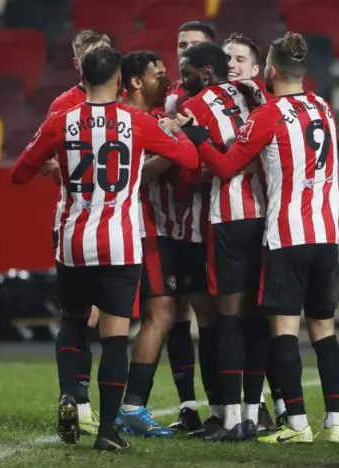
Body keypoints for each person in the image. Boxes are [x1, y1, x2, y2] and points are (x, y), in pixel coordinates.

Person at [11, 46, 202, 451]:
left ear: (84, 79)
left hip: (73, 241)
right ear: (119, 80)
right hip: (118, 241)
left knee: (74, 321)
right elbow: (186, 157)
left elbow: (19, 173)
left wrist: (54, 163)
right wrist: (176, 131)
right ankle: (107, 432)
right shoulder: (136, 122)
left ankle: (70, 395)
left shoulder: (60, 121)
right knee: (115, 337)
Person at [166, 32, 339, 445]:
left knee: (272, 327)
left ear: (272, 70)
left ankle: (291, 423)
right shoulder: (324, 108)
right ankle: (332, 423)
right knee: (324, 330)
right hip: (327, 233)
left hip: (281, 231)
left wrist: (194, 135)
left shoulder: (269, 112)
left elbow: (226, 165)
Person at [176, 41, 270, 442]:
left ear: (206, 73)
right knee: (255, 320)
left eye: (188, 72)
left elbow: (191, 171)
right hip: (264, 215)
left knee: (228, 319)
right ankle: (256, 412)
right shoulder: (255, 94)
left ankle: (231, 419)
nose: (183, 80)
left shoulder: (194, 108)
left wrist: (182, 131)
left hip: (229, 219)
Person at [38, 29, 112, 437]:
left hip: (110, 223)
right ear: (76, 63)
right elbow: (42, 158)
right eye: (89, 56)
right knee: (85, 316)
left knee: (92, 317)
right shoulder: (62, 105)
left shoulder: (118, 100)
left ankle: (79, 400)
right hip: (79, 221)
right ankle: (80, 400)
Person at [114, 51, 181, 438]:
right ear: (135, 81)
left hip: (150, 227)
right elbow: (134, 177)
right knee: (157, 314)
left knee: (153, 315)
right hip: (142, 228)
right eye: (158, 74)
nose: (166, 80)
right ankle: (130, 406)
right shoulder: (132, 119)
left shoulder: (147, 118)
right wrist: (175, 149)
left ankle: (110, 406)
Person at [222, 32, 285, 431]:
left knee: (257, 317)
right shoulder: (208, 103)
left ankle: (261, 404)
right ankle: (223, 411)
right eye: (228, 58)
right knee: (224, 319)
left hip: (261, 218)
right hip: (220, 220)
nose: (233, 64)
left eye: (241, 59)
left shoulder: (268, 108)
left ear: (257, 69)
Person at [164, 20, 217, 434]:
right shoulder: (169, 99)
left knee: (222, 316)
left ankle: (234, 406)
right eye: (181, 45)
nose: (184, 52)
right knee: (177, 314)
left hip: (218, 224)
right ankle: (188, 406)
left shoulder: (233, 100)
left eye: (193, 46)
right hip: (177, 225)